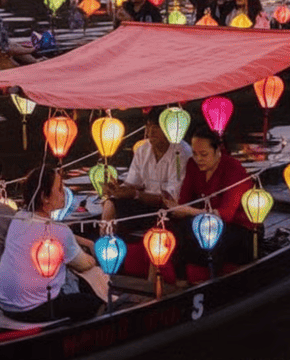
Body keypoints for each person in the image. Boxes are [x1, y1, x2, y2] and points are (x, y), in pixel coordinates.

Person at [0, 166, 103, 322]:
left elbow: (53, 233)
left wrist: (83, 241)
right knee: (92, 301)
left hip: (6, 305)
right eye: (59, 189)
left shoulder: (19, 217)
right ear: (45, 197)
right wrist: (93, 256)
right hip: (35, 309)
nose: (64, 193)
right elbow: (83, 264)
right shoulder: (60, 231)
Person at [166, 126, 255, 277]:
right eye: (195, 153)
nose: (198, 159)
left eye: (204, 154)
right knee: (173, 228)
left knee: (213, 235)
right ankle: (180, 281)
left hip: (237, 227)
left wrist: (189, 211)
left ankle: (214, 282)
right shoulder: (192, 165)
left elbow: (226, 214)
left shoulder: (233, 169)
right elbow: (184, 201)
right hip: (205, 220)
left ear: (217, 151)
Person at [101, 107, 192, 236]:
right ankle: (105, 242)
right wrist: (117, 189)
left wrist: (135, 194)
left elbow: (172, 198)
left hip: (171, 210)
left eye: (156, 127)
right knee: (110, 204)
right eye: (148, 126)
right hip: (145, 204)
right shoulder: (143, 150)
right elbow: (132, 183)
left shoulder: (181, 152)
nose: (151, 131)